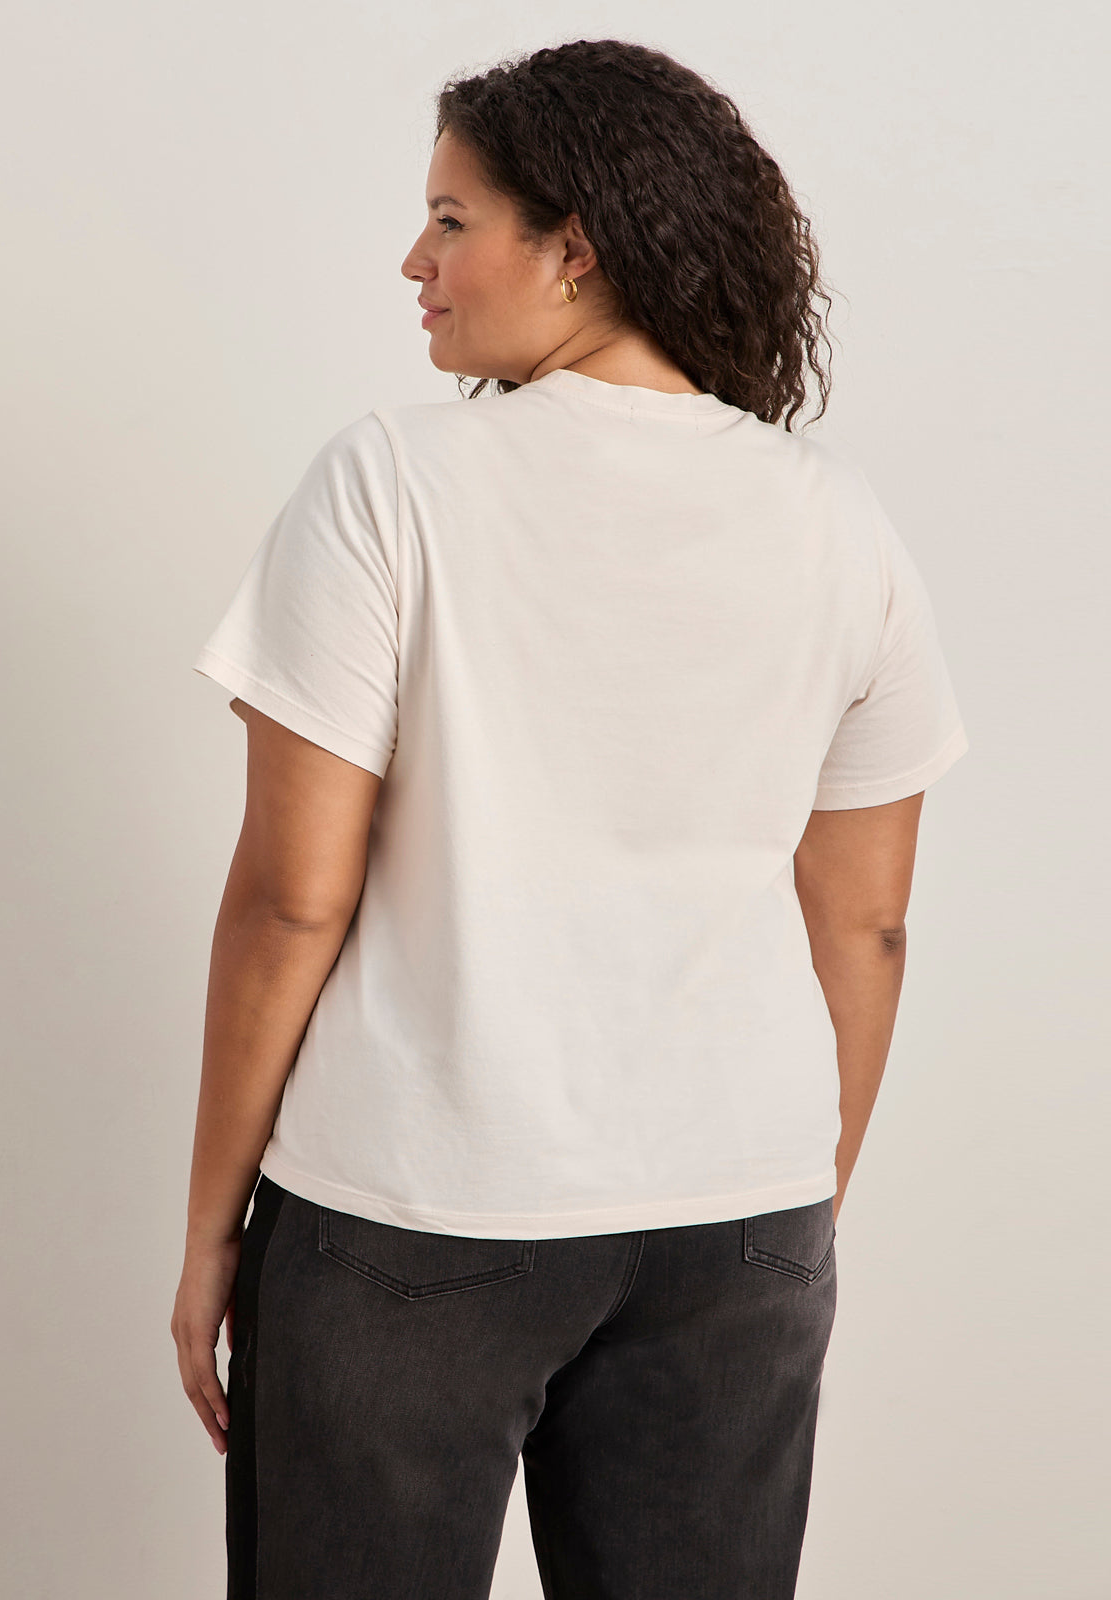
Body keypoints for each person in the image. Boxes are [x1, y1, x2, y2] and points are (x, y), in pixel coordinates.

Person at [171, 37, 970, 1600]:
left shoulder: (390, 485)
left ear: (574, 248)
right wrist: (784, 1204)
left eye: (454, 220)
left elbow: (292, 898)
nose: (417, 260)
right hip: (736, 1211)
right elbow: (866, 919)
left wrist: (216, 1227)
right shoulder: (836, 522)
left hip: (413, 1212)